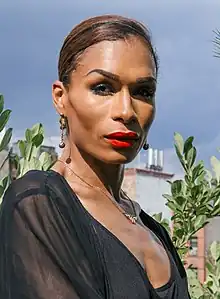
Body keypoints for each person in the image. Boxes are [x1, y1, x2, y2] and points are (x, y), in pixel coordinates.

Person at [0, 15, 191, 299]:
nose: (126, 111)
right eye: (103, 87)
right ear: (60, 98)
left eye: (143, 92)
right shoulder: (36, 204)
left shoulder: (153, 230)